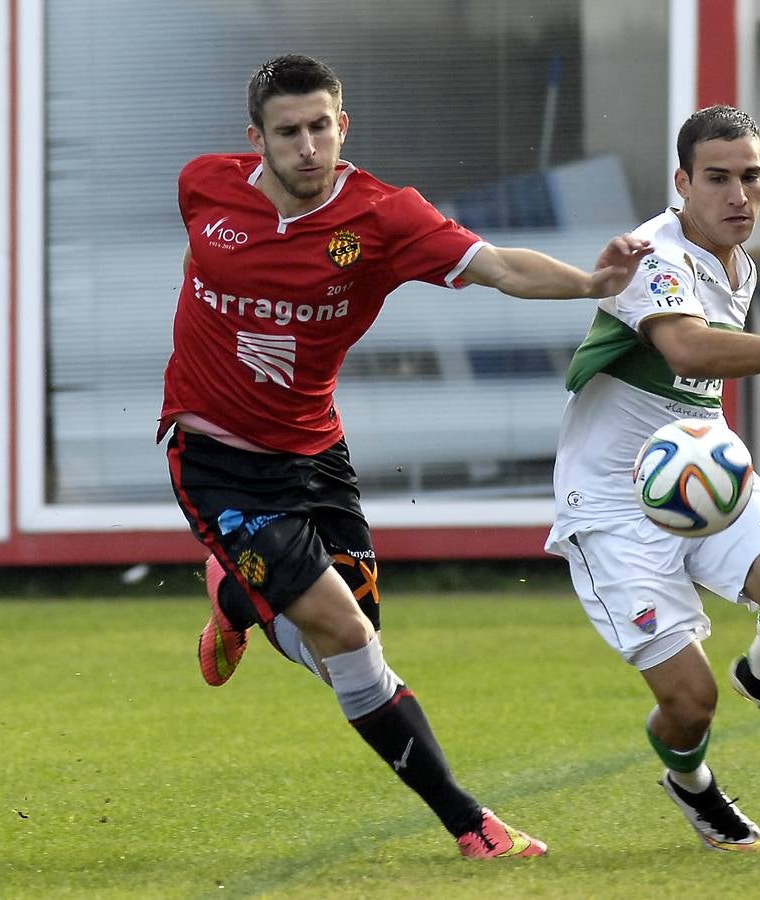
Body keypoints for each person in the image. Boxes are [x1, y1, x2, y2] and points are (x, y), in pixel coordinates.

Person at [158, 53, 651, 861]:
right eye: (289, 132)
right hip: (216, 460)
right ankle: (472, 824)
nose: (308, 147)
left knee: (355, 647)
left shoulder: (384, 218)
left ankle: (237, 596)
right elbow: (201, 269)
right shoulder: (203, 186)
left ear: (342, 125)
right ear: (257, 141)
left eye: (321, 127)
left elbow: (500, 266)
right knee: (347, 638)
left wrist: (594, 284)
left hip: (316, 453)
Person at [544, 105, 760, 853]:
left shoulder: (740, 262)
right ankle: (694, 786)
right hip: (611, 502)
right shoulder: (654, 255)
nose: (738, 195)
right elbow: (690, 352)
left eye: (751, 176)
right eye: (717, 178)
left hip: (702, 466)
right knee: (690, 703)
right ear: (682, 183)